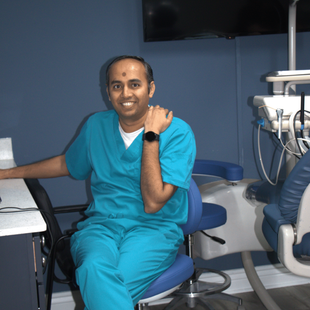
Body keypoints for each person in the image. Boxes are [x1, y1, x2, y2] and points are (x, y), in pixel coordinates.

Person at [0, 55, 196, 309]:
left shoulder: (178, 132)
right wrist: (8, 173)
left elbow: (153, 202)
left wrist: (151, 134)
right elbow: (67, 164)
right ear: (108, 92)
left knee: (108, 286)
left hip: (154, 230)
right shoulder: (96, 125)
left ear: (151, 88)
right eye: (117, 86)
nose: (126, 93)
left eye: (135, 84)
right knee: (93, 268)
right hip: (101, 226)